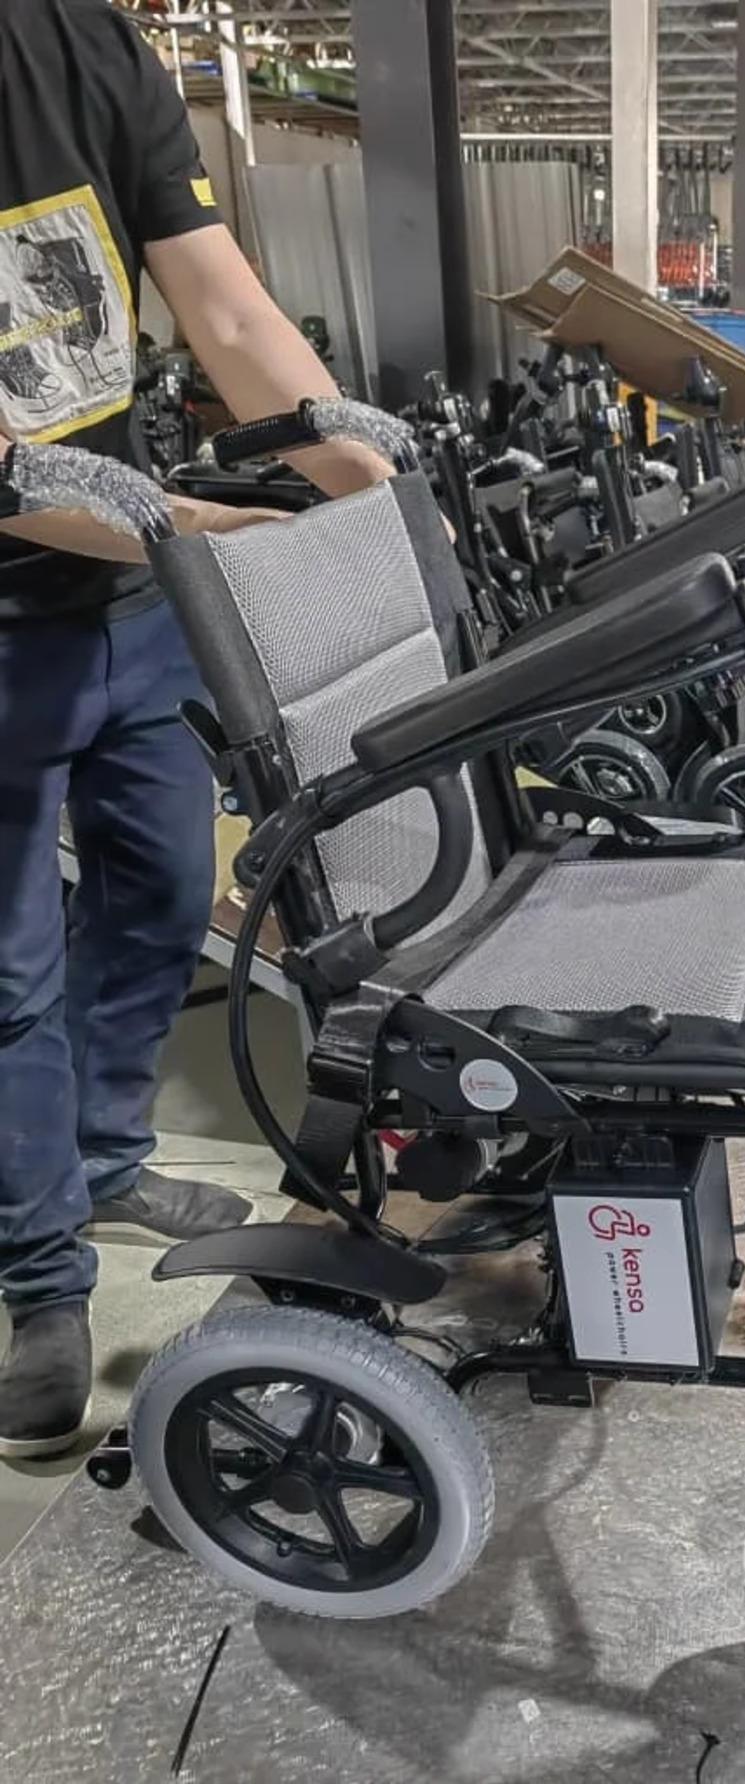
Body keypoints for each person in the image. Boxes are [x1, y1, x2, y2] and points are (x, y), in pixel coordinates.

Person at [0, 0, 395, 1460]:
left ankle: (105, 1156)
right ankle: (41, 1283)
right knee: (9, 977)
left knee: (168, 896)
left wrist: (369, 486)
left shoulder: (79, 42)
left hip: (132, 598)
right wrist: (232, 536)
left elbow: (224, 311)